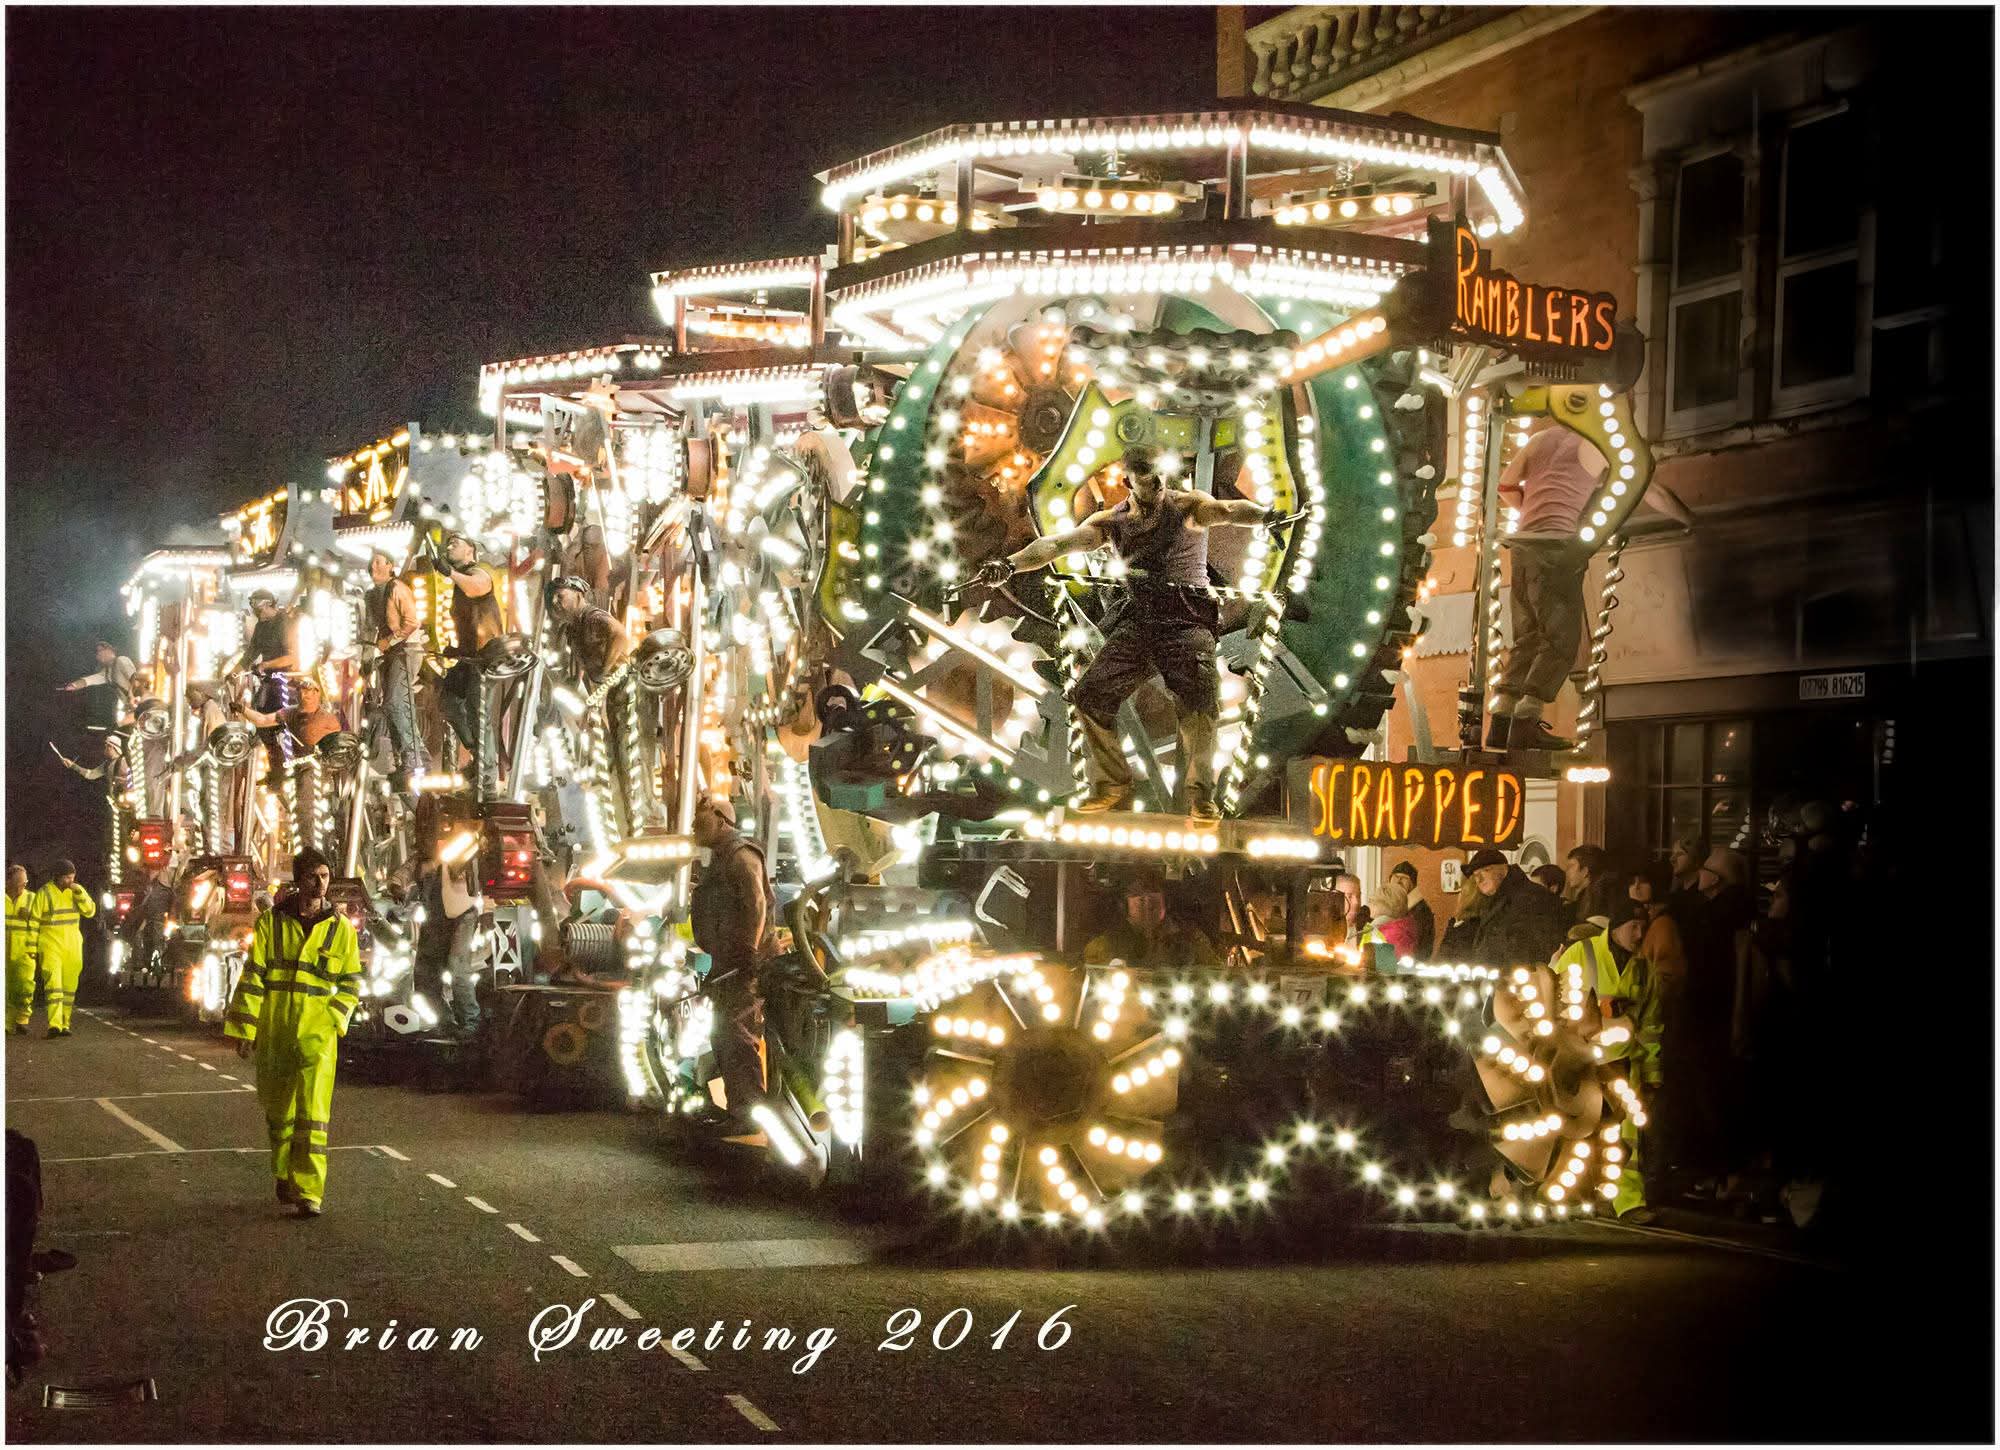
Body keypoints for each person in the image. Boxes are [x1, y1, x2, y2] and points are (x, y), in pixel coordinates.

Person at [973, 449, 1297, 819]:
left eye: (1159, 473)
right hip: (1139, 620)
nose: (1156, 482)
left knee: (1199, 703)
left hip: (1186, 619)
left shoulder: (1188, 507)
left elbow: (1227, 510)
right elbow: (1056, 545)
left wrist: (1266, 517)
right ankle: (1112, 786)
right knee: (1089, 695)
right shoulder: (1113, 522)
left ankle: (1199, 797)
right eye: (1146, 475)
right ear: (1129, 481)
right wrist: (1009, 565)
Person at [224, 848, 361, 1217]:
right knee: (279, 1113)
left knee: (313, 1116)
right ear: (298, 880)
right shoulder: (271, 923)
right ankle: (284, 1173)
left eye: (325, 876)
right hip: (277, 1030)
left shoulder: (341, 929)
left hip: (318, 1037)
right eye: (313, 876)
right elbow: (254, 977)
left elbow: (351, 983)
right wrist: (245, 1029)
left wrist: (334, 1019)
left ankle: (309, 1192)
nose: (320, 883)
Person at [1551, 897, 1660, 1220]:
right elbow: (1553, 1000)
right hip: (1583, 1063)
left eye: (1644, 927)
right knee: (1578, 1132)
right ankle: (1574, 1196)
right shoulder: (1581, 953)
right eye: (1634, 926)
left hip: (1623, 1065)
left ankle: (1628, 1201)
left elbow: (1652, 1026)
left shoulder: (1644, 969)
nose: (1639, 934)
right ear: (1616, 927)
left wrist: (1652, 1075)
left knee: (1625, 1137)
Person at [689, 796, 777, 1131]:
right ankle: (738, 1108)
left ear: (721, 818)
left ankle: (748, 1114)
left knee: (738, 1036)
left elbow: (756, 904)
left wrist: (749, 951)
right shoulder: (722, 858)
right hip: (728, 963)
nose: (695, 827)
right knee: (725, 1035)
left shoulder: (741, 856)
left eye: (701, 820)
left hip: (743, 965)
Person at [431, 533, 507, 790]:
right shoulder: (459, 582)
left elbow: (475, 587)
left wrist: (449, 573)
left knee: (478, 710)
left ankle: (487, 775)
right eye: (448, 543)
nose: (449, 546)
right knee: (448, 702)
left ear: (470, 550)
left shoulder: (479, 572)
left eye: (456, 543)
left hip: (486, 655)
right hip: (469, 656)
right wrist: (456, 649)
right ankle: (478, 753)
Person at [365, 550, 429, 781]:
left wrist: (389, 640)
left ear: (390, 565)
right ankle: (406, 756)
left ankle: (413, 754)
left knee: (395, 701)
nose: (373, 566)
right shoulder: (372, 594)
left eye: (378, 562)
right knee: (393, 704)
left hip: (405, 650)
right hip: (390, 653)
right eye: (372, 562)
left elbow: (411, 622)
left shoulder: (397, 588)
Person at [412, 852, 483, 1040]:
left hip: (462, 914)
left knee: (457, 968)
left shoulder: (464, 847)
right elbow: (407, 871)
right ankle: (445, 1023)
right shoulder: (426, 854)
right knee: (425, 974)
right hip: (435, 917)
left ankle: (470, 1022)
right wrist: (396, 885)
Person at [1084, 870, 1218, 967]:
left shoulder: (1192, 938)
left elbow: (1215, 971)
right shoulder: (1106, 944)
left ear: (1166, 902)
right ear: (1124, 905)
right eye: (1139, 897)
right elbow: (1090, 976)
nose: (1148, 903)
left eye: (1153, 894)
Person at [1463, 847, 1565, 970]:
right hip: (1495, 975)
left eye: (1485, 871)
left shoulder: (1533, 897)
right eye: (1475, 875)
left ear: (1503, 868)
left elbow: (1542, 945)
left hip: (1521, 976)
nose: (1479, 880)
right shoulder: (1492, 901)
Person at [234, 589, 300, 766]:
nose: (254, 610)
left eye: (256, 605)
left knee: (284, 722)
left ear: (266, 604)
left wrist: (266, 665)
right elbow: (250, 653)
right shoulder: (261, 626)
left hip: (286, 681)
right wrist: (233, 672)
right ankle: (275, 761)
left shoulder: (284, 623)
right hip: (269, 681)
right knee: (260, 719)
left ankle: (291, 760)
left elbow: (292, 657)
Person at [31, 862, 94, 1038]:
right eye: (67, 877)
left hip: (72, 945)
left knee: (69, 988)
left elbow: (90, 911)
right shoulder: (44, 893)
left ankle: (65, 1023)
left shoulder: (76, 891)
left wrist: (80, 893)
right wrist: (32, 947)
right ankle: (54, 1025)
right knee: (53, 985)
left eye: (72, 877)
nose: (70, 880)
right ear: (57, 877)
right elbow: (34, 922)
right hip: (50, 944)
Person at [1627, 864, 1687, 993]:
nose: (1636, 887)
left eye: (1643, 882)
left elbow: (1667, 976)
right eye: (1632, 882)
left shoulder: (1663, 924)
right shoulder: (1640, 920)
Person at [1360, 878, 1423, 968]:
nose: (1369, 905)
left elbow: (1385, 968)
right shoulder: (1397, 929)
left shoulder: (1391, 934)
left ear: (1383, 905)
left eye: (1372, 901)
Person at [5, 868, 37, 1036]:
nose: (22, 887)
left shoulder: (32, 899)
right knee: (6, 988)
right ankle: (7, 1023)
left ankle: (22, 1019)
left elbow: (42, 923)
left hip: (25, 950)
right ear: (8, 882)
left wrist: (31, 916)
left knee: (25, 987)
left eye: (25, 883)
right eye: (19, 884)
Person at [1387, 861, 1436, 958]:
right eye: (1396, 876)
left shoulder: (1421, 910)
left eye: (1404, 878)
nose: (1399, 881)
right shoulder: (1387, 904)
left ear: (1413, 884)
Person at [1563, 844, 1619, 928]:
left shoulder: (1600, 897)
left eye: (1571, 866)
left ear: (1585, 871)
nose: (1567, 872)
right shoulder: (1586, 897)